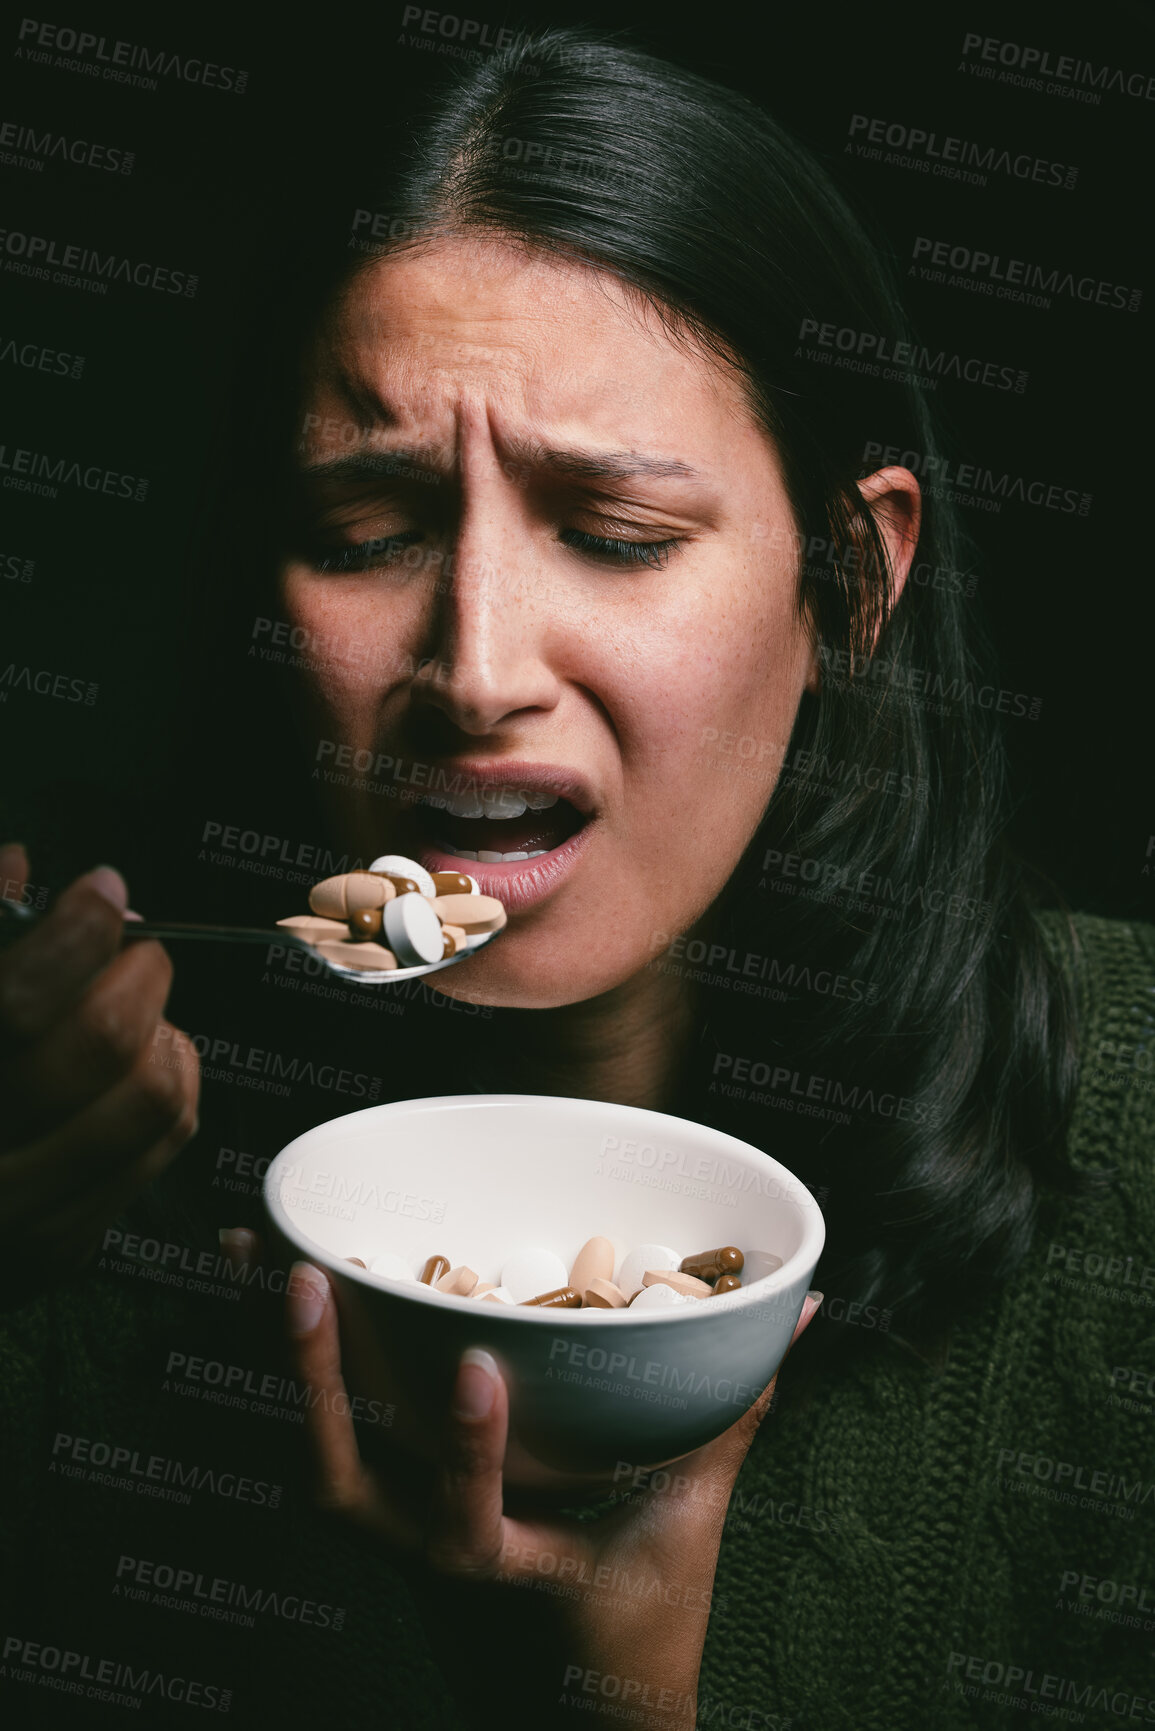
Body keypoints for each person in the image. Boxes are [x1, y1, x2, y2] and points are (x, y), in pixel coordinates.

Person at [1, 28, 1151, 1730]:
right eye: (370, 529)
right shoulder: (90, 1172)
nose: (473, 671)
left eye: (614, 534)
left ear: (849, 581)